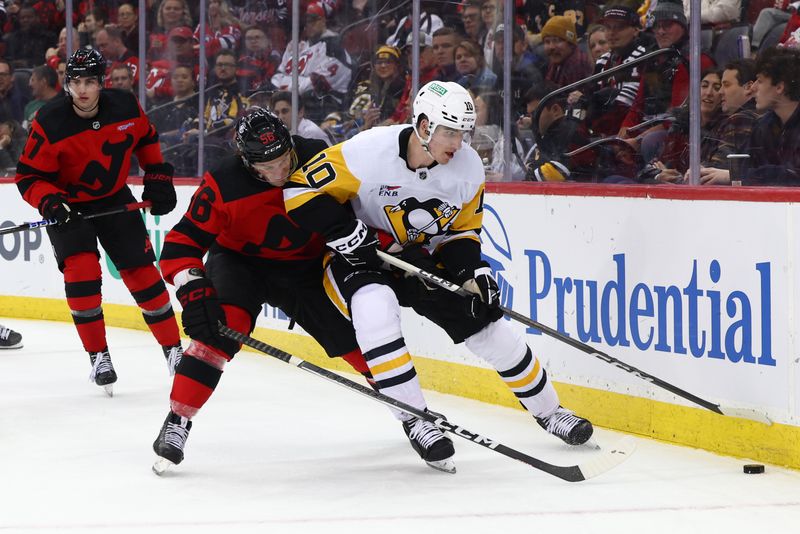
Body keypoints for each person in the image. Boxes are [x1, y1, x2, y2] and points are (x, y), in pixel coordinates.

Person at [283, 81, 594, 473]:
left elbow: (461, 232)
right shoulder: (366, 152)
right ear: (425, 126)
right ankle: (416, 419)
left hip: (415, 256)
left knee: (487, 324)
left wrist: (472, 271)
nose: (458, 143)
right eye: (450, 132)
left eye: (464, 132)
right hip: (359, 256)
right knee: (375, 312)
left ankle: (550, 412)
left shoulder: (467, 167)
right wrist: (345, 232)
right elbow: (298, 191)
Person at [151, 108, 370, 471]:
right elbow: (180, 245)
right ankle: (178, 420)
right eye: (265, 168)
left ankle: (412, 414)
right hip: (239, 263)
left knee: (361, 336)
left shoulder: (321, 157)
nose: (279, 174)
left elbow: (361, 209)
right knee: (218, 333)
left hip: (306, 267)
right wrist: (191, 289)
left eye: (283, 161)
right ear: (245, 160)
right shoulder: (223, 181)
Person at [14, 49, 182, 396]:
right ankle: (98, 356)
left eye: (91, 81)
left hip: (114, 198)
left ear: (102, 82)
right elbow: (29, 177)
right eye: (77, 82)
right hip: (68, 207)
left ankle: (173, 349)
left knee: (143, 275)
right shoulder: (50, 120)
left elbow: (147, 138)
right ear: (67, 84)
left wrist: (157, 177)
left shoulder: (124, 106)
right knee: (82, 274)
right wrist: (50, 203)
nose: (84, 89)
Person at [742, 47, 800, 185]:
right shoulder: (764, 126)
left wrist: (736, 175)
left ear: (780, 87)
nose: (753, 88)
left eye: (760, 81)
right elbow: (744, 163)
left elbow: (795, 176)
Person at [698, 59, 761, 185]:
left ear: (748, 87)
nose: (720, 92)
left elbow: (716, 169)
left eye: (726, 85)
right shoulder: (727, 120)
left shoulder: (741, 119)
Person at [541, 15, 591, 88]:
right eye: (547, 42)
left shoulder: (576, 65)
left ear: (571, 44)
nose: (551, 47)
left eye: (556, 41)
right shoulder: (556, 61)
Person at [24, 65, 59, 130]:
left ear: (43, 81)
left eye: (33, 80)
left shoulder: (63, 105)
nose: (30, 84)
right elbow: (24, 131)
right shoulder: (30, 106)